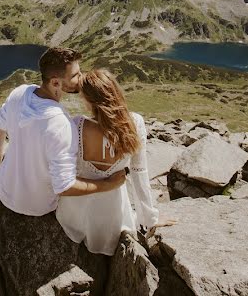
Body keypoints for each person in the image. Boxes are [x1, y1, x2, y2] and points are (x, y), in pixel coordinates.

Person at [0, 47, 126, 217]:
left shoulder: (18, 93)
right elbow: (64, 186)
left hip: (5, 191)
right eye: (75, 76)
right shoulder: (62, 124)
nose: (81, 78)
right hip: (40, 206)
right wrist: (107, 185)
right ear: (55, 82)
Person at [56, 68, 168, 255]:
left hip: (74, 214)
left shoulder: (76, 125)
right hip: (113, 216)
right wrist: (150, 219)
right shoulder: (135, 123)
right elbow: (140, 173)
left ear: (89, 100)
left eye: (82, 97)